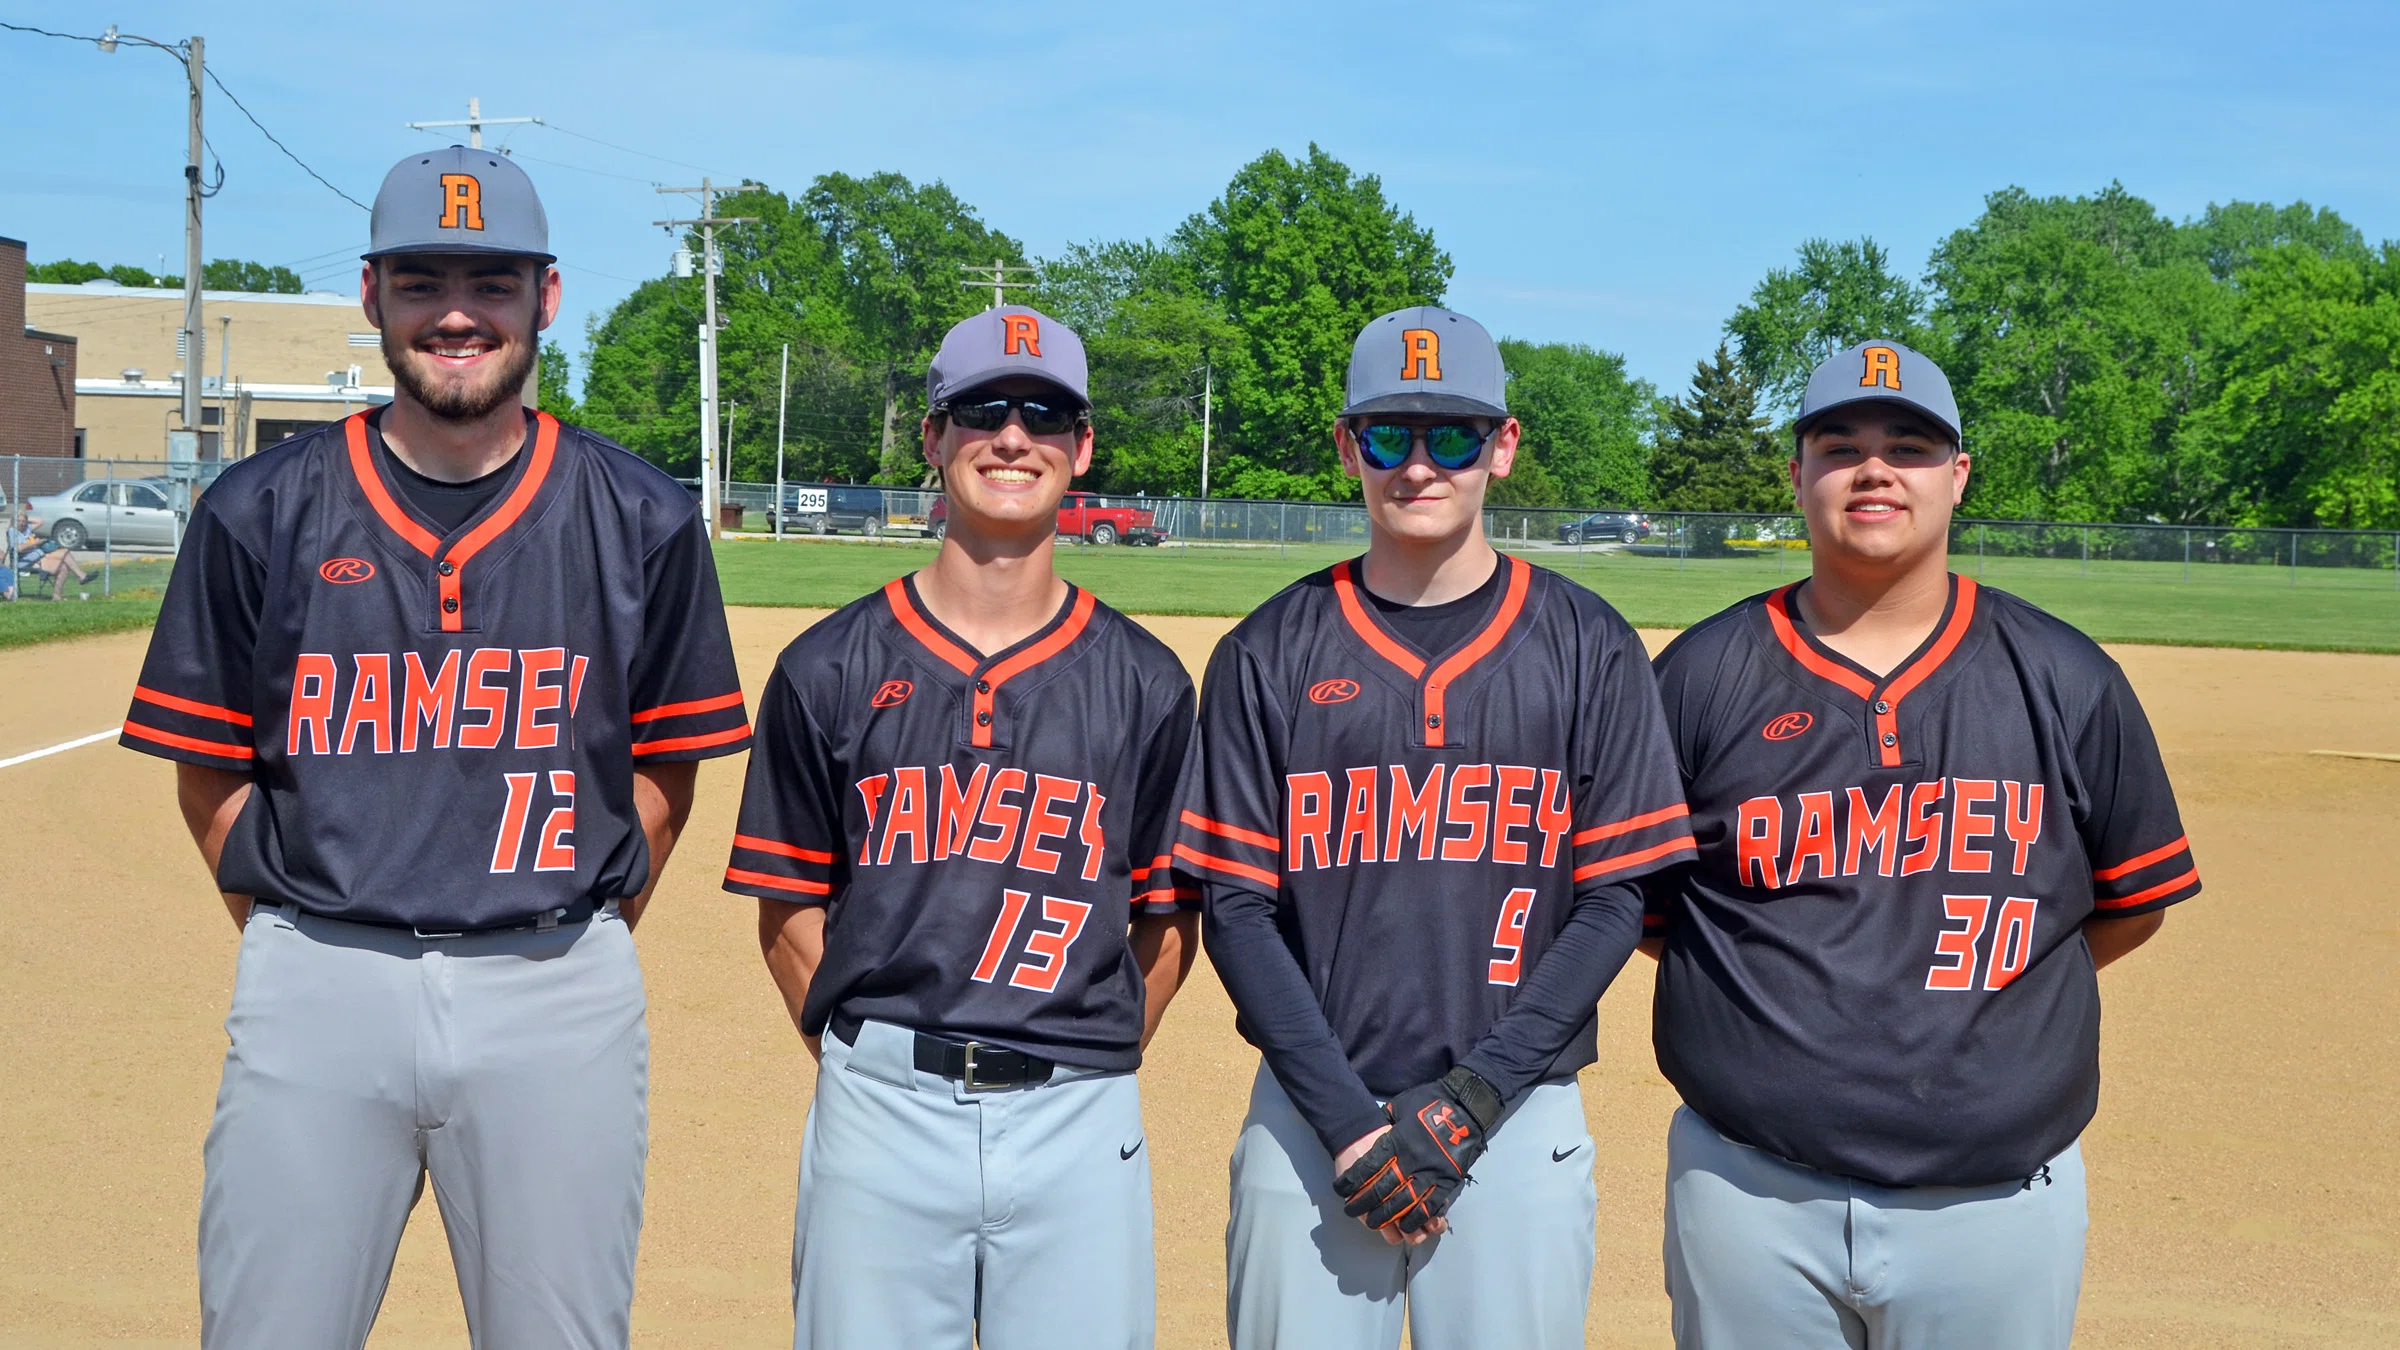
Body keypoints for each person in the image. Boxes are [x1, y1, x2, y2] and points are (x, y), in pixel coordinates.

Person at [120, 146, 751, 1348]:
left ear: (546, 298)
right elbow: (212, 768)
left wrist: (581, 933)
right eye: (422, 281)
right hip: (318, 974)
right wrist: (300, 942)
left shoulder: (642, 517)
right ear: (372, 296)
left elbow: (668, 766)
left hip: (557, 979)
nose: (456, 312)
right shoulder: (259, 510)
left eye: (492, 283)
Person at [1641, 340, 2201, 1349]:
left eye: (1908, 446)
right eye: (1840, 444)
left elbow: (2129, 900)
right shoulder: (1699, 677)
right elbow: (1649, 911)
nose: (1874, 470)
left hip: (1996, 1201)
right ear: (1797, 472)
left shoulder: (2066, 678)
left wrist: (1994, 1007)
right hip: (1746, 1189)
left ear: (1957, 475)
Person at [1171, 306, 1697, 1350]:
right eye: (1389, 435)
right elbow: (1234, 910)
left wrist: (1470, 1103)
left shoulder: (1589, 646)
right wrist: (1349, 1125)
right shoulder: (1267, 650)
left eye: (1452, 435)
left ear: (1503, 446)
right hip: (1312, 1116)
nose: (1419, 465)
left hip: (1519, 1112)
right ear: (1346, 446)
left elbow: (1612, 904)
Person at [725, 305, 1201, 1350]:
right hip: (880, 1107)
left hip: (1079, 1113)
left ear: (1082, 447)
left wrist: (1087, 1058)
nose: (1012, 435)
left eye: (1045, 413)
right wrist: (868, 1066)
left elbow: (1168, 926)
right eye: (983, 408)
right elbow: (789, 908)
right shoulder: (827, 667)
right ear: (934, 437)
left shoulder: (1147, 684)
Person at [10, 503, 90, 599]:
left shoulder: (26, 529)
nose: (22, 523)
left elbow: (40, 521)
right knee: (64, 552)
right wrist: (35, 543)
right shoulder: (12, 531)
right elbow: (18, 548)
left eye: (23, 521)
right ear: (14, 521)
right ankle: (81, 576)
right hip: (26, 562)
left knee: (63, 567)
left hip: (39, 556)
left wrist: (26, 519)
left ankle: (57, 595)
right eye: (19, 521)